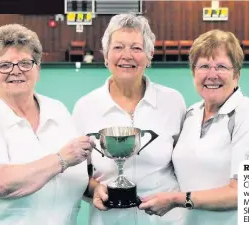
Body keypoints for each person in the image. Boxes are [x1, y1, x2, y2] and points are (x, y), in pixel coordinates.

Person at [0, 24, 94, 225]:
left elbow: (71, 177)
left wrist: (95, 189)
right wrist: (61, 159)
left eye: (25, 63)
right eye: (5, 65)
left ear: (38, 68)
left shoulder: (57, 110)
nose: (16, 71)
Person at [139, 29, 249, 224]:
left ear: (236, 74)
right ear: (193, 72)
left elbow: (246, 192)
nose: (212, 75)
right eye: (204, 66)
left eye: (221, 66)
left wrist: (178, 199)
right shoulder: (191, 114)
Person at [72, 14, 187, 225]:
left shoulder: (173, 102)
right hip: (108, 220)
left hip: (167, 221)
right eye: (118, 47)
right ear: (106, 56)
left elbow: (187, 165)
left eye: (136, 48)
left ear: (149, 55)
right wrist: (94, 190)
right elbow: (76, 175)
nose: (127, 55)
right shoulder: (85, 107)